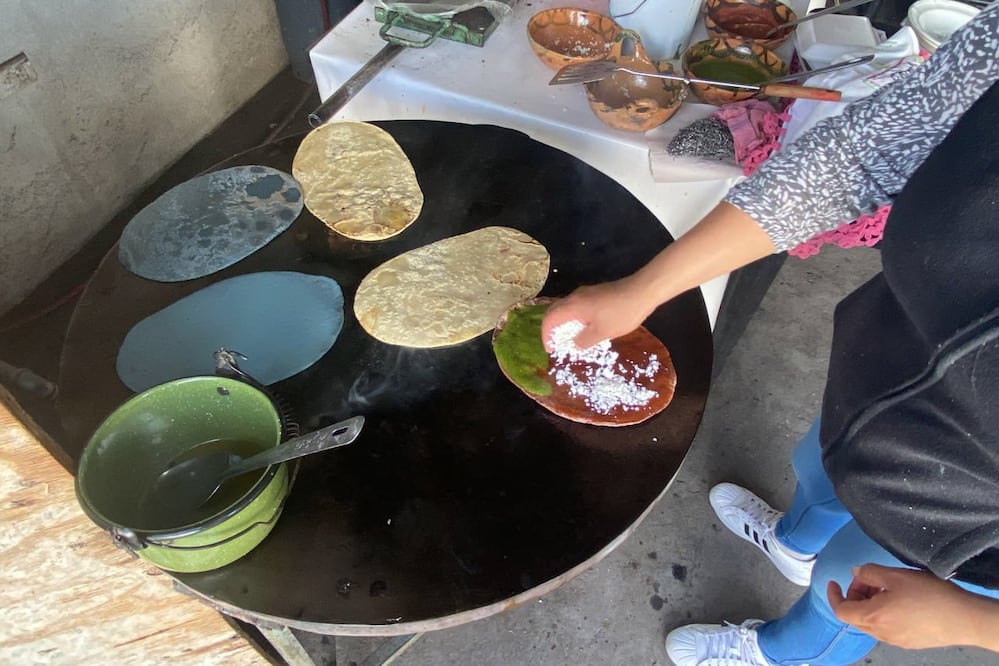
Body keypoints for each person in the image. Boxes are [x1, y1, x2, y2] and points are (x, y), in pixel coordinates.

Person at [541, 5, 999, 665]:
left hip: (968, 512)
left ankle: (779, 654)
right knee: (818, 470)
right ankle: (790, 543)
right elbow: (864, 152)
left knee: (844, 595)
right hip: (892, 371)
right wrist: (639, 290)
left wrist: (976, 620)